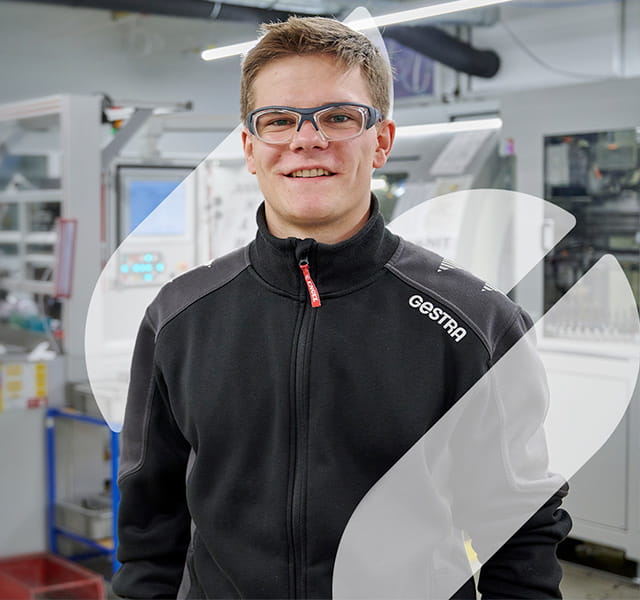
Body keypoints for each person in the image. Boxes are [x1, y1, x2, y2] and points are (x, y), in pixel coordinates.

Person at [111, 16, 571, 599]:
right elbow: (150, 526)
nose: (308, 139)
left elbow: (521, 532)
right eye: (278, 120)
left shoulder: (477, 324)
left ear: (380, 140)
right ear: (251, 149)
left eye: (338, 116)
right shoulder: (179, 317)